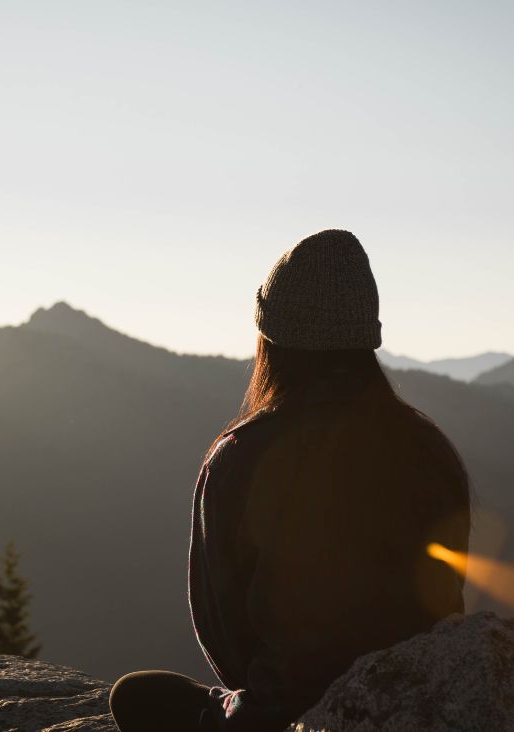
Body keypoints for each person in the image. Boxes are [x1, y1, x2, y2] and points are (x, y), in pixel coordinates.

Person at [109, 229, 471, 731]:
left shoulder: (241, 455)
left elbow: (221, 624)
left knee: (138, 695)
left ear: (271, 340)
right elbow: (445, 599)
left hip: (289, 717)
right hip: (421, 707)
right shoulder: (429, 449)